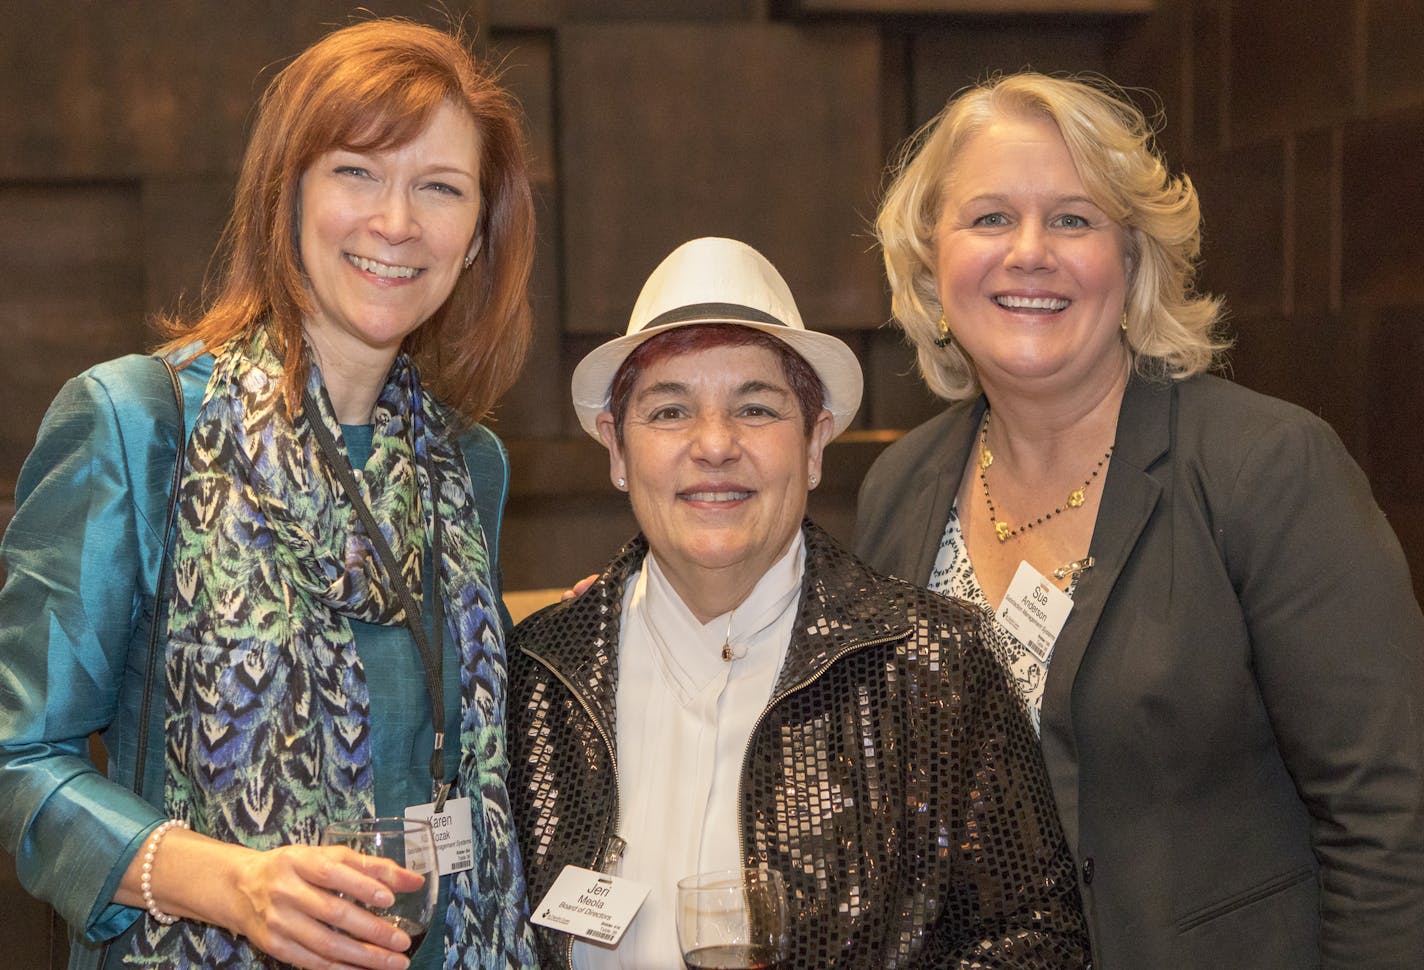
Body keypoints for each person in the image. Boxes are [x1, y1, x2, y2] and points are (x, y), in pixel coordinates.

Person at [0, 19, 540, 970]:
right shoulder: (139, 421)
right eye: (357, 172)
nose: (397, 221)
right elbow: (18, 761)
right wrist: (237, 887)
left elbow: (452, 732)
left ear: (476, 237)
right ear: (285, 194)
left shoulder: (468, 466)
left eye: (441, 188)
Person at [859, 71, 1424, 968]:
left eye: (1074, 219)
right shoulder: (899, 487)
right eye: (991, 217)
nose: (1030, 252)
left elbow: (1391, 816)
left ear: (1133, 261)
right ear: (931, 262)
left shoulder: (1266, 469)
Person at [507, 236, 1092, 970]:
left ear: (815, 444)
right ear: (617, 450)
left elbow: (1034, 946)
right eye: (668, 412)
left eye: (755, 409)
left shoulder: (937, 669)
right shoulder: (537, 677)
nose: (715, 445)